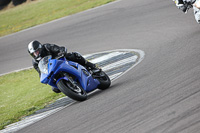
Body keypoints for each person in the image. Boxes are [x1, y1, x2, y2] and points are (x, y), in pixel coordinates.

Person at [28, 40, 100, 93]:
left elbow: (58, 49)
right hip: (52, 70)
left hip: (61, 60)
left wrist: (61, 52)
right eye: (33, 54)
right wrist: (43, 79)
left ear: (40, 48)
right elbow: (40, 72)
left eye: (36, 52)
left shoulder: (47, 47)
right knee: (54, 89)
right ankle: (70, 88)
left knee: (74, 56)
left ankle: (91, 66)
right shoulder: (35, 62)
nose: (36, 54)